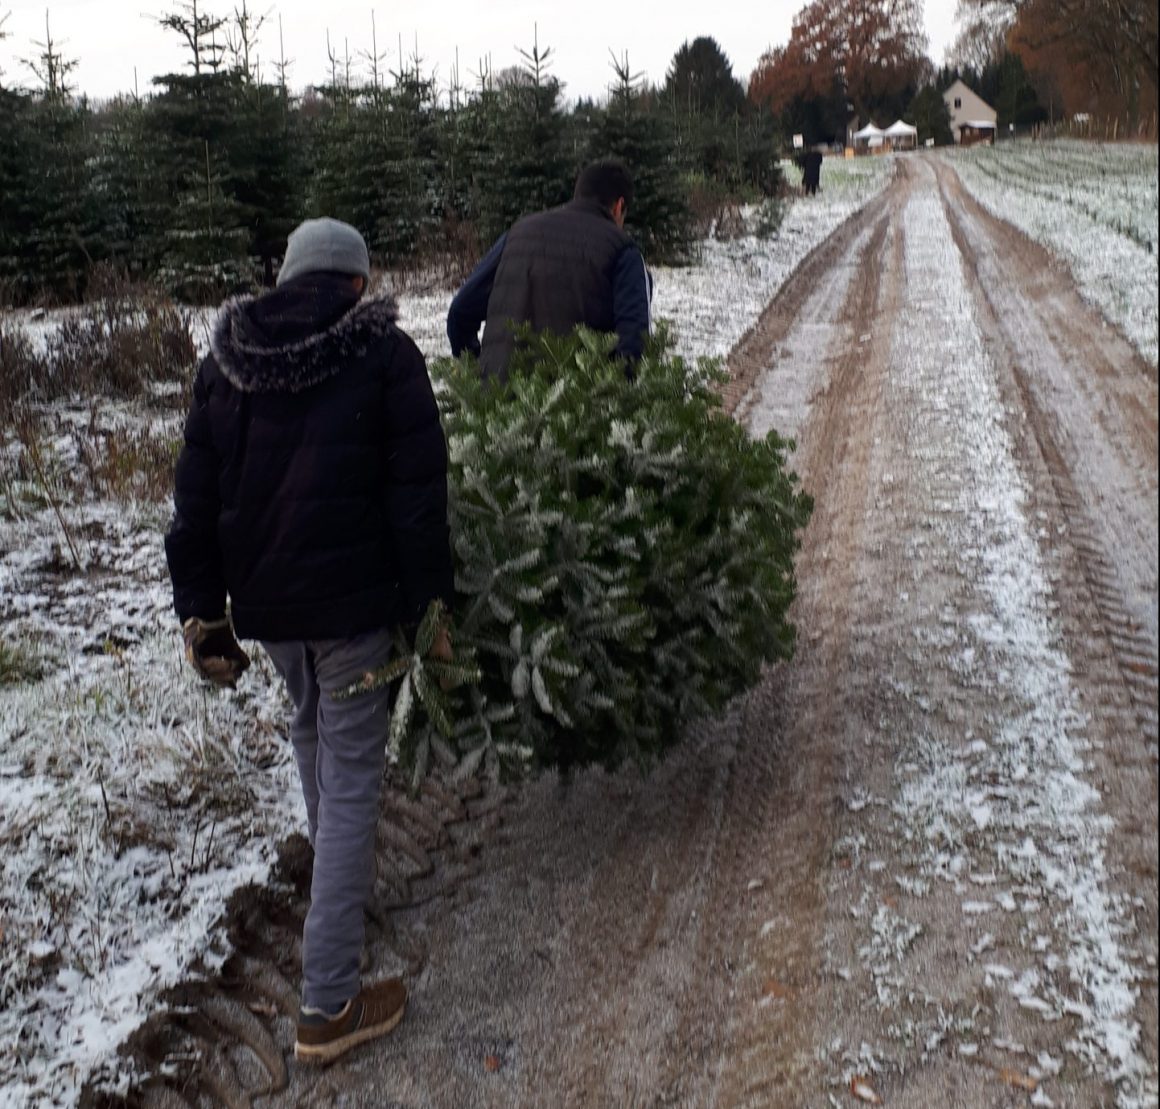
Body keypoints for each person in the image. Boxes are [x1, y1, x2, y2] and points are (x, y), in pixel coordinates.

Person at [164, 217, 454, 1065]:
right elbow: (416, 497)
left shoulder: (227, 363)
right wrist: (432, 608)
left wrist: (204, 611)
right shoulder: (385, 354)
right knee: (355, 771)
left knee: (312, 733)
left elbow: (196, 497)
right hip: (353, 606)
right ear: (356, 282)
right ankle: (328, 1002)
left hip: (273, 609)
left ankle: (340, 894)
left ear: (287, 278)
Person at [446, 159, 652, 381]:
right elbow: (634, 342)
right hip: (579, 402)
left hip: (498, 396)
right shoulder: (623, 250)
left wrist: (478, 367)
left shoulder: (518, 234)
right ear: (619, 206)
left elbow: (460, 311)